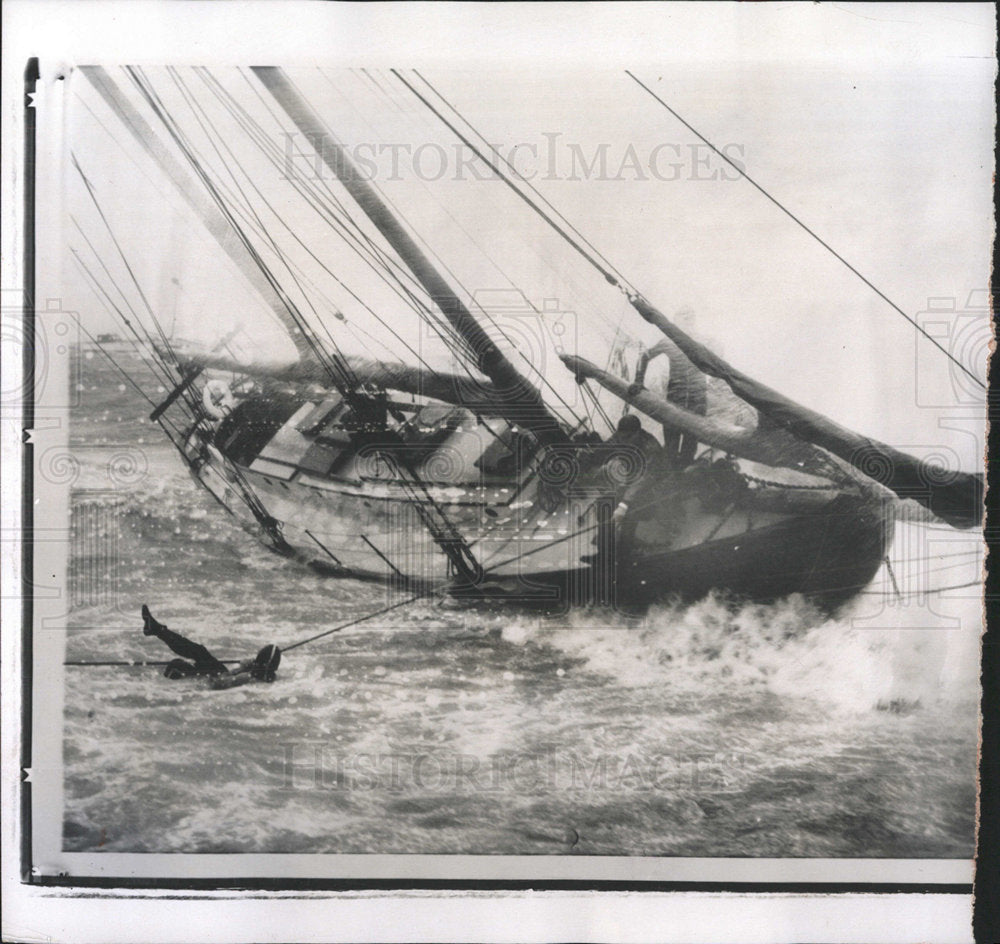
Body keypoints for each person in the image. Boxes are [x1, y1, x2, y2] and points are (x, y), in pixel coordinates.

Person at [141, 605, 281, 689]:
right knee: (197, 653)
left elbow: (220, 683)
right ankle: (157, 630)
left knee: (190, 657)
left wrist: (244, 668)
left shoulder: (247, 677)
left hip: (215, 680)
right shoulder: (266, 676)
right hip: (219, 676)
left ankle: (157, 630)